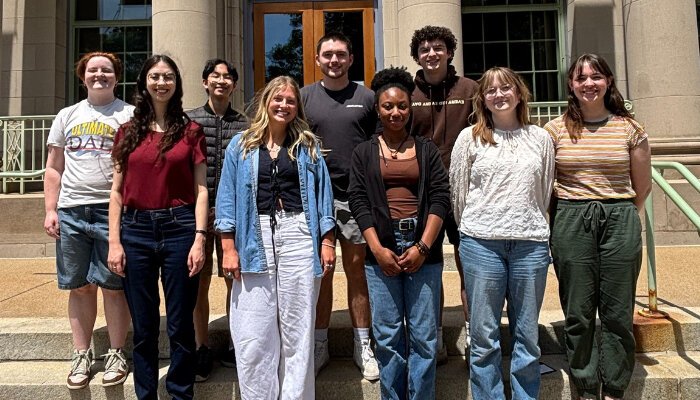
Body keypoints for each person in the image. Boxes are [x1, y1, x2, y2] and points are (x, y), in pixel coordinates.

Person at [215, 75, 336, 400]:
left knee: (298, 331)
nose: (283, 105)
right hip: (253, 241)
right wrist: (228, 246)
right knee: (254, 332)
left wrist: (327, 240)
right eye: (278, 99)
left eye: (290, 100)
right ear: (266, 101)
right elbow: (226, 197)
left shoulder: (307, 145)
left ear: (297, 107)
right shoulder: (239, 146)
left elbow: (324, 196)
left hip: (299, 236)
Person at [544, 53, 651, 400]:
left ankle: (614, 388)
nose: (588, 83)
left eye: (595, 76)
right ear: (571, 86)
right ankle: (587, 385)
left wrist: (617, 211)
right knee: (578, 309)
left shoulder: (629, 128)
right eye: (580, 78)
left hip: (618, 217)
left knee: (618, 310)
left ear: (608, 82)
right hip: (572, 219)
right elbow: (547, 185)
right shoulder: (554, 130)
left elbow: (642, 185)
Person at [450, 67, 555, 400]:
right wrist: (476, 227)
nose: (498, 95)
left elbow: (546, 187)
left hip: (530, 245)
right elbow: (459, 194)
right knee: (483, 336)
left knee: (527, 334)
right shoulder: (469, 138)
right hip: (482, 244)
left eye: (505, 88)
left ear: (519, 92)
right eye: (490, 90)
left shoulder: (540, 138)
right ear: (482, 99)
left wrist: (532, 223)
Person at [107, 54, 208, 400]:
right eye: (155, 76)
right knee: (145, 328)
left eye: (168, 76)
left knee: (181, 326)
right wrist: (114, 242)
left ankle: (181, 393)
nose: (161, 82)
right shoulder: (127, 132)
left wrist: (199, 238)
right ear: (144, 83)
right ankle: (146, 394)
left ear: (177, 83)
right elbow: (117, 192)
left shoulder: (192, 131)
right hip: (134, 232)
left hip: (180, 229)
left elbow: (201, 190)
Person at [348, 67, 450, 399]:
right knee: (388, 335)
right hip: (381, 247)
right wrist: (376, 249)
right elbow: (359, 202)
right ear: (377, 109)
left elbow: (439, 198)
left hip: (424, 248)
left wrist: (423, 246)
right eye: (388, 106)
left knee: (423, 336)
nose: (395, 112)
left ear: (410, 108)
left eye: (402, 106)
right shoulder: (364, 152)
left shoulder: (426, 149)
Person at [44, 51, 133, 390]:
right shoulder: (67, 115)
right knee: (80, 286)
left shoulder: (129, 115)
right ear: (82, 77)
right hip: (72, 210)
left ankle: (115, 353)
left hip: (112, 210)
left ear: (116, 76)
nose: (100, 75)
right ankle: (81, 354)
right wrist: (50, 209)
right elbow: (54, 167)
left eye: (106, 70)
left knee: (113, 286)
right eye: (93, 70)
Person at [300, 31, 379, 380]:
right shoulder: (303, 98)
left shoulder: (367, 97)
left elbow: (379, 146)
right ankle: (320, 344)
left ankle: (364, 344)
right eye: (328, 54)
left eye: (341, 54)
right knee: (322, 271)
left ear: (350, 59)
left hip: (355, 196)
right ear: (317, 60)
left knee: (357, 269)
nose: (334, 60)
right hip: (314, 197)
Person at [408, 25, 478, 362]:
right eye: (425, 50)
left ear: (449, 52)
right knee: (429, 268)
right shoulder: (408, 93)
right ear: (417, 57)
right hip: (424, 195)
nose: (431, 54)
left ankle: (473, 331)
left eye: (438, 48)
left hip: (467, 195)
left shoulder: (471, 90)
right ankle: (432, 336)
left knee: (470, 265)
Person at [186, 58, 249, 381]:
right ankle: (201, 347)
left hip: (233, 216)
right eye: (215, 76)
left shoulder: (246, 125)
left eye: (227, 77)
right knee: (198, 282)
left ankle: (237, 344)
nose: (221, 81)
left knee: (234, 281)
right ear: (205, 82)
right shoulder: (188, 121)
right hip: (194, 214)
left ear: (234, 85)